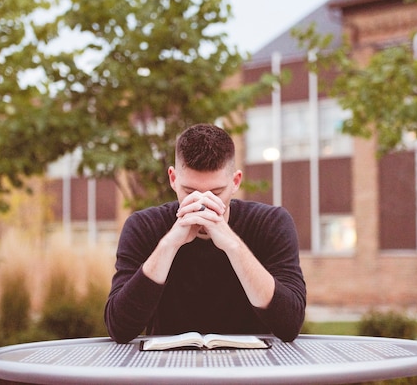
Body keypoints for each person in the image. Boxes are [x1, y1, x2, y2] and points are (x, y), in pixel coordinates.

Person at [104, 123, 306, 344]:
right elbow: (120, 328)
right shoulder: (143, 226)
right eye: (189, 192)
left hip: (251, 369)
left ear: (235, 181)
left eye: (216, 192)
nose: (202, 204)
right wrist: (169, 244)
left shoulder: (270, 223)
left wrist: (232, 245)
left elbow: (289, 324)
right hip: (168, 369)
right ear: (173, 179)